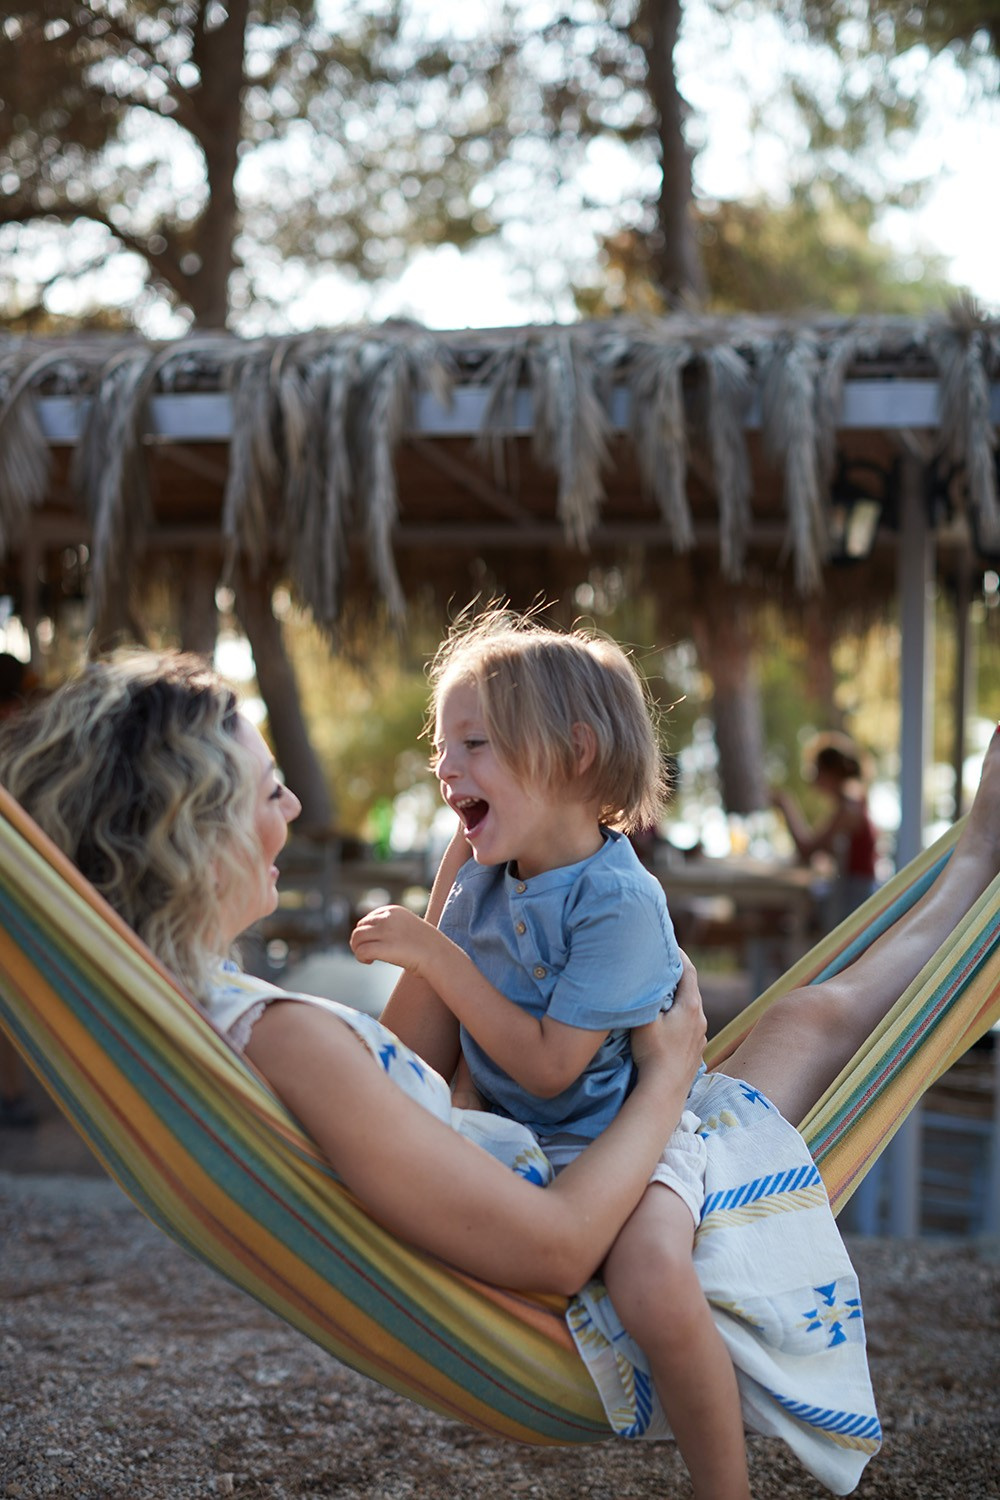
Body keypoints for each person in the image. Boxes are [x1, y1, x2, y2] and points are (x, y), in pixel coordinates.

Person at [5, 650, 1000, 1496]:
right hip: (597, 1213)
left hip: (583, 1147)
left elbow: (426, 1048)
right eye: (271, 792)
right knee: (814, 1021)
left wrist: (480, 848)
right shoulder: (284, 1040)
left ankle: (972, 867)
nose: (298, 804)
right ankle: (977, 865)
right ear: (200, 825)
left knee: (806, 1016)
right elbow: (561, 1250)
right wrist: (668, 1072)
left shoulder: (214, 1021)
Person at [347, 611, 993, 1498]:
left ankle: (721, 1489)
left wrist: (434, 953)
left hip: (632, 1143)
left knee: (651, 1277)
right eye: (441, 746)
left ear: (574, 753)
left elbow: (547, 1068)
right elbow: (405, 1064)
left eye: (473, 743)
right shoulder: (485, 879)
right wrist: (444, 920)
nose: (443, 767)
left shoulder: (617, 901)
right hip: (529, 1150)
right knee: (804, 1022)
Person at [772, 732, 879, 929]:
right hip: (850, 895)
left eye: (817, 772)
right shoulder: (851, 806)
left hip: (854, 901)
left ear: (831, 773)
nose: (813, 779)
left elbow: (807, 851)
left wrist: (787, 807)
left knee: (778, 914)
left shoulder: (849, 811)